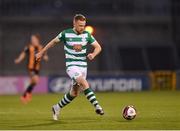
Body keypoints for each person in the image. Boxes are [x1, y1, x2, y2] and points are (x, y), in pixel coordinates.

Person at [36, 14, 104, 120]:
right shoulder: (65, 33)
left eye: (84, 25)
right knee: (84, 83)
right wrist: (41, 52)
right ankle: (97, 106)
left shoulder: (87, 35)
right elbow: (53, 42)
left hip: (83, 66)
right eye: (80, 25)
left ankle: (56, 107)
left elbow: (98, 47)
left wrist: (93, 54)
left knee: (74, 93)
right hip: (71, 65)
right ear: (74, 23)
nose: (82, 28)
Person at [14, 34, 48, 104]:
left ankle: (26, 94)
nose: (32, 40)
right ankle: (26, 95)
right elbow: (23, 54)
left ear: (37, 40)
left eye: (34, 39)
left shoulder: (41, 47)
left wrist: (45, 57)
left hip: (37, 68)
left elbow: (44, 54)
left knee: (34, 82)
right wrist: (19, 59)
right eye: (32, 39)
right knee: (35, 79)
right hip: (31, 67)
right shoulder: (29, 47)